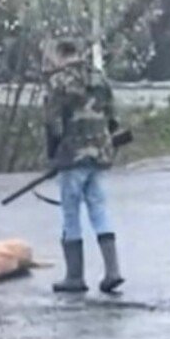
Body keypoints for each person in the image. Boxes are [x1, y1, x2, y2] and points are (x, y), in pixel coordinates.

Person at [43, 37, 124, 294]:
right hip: (99, 154)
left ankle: (74, 277)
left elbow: (53, 124)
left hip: (72, 156)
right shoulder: (99, 78)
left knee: (71, 213)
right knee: (99, 209)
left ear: (60, 55)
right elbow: (113, 118)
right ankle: (113, 271)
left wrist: (53, 156)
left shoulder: (59, 81)